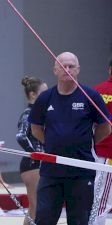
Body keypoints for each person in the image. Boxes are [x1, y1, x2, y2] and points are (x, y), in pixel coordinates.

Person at [29, 52, 111, 225]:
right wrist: (52, 142)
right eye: (63, 66)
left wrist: (88, 142)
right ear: (55, 70)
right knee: (44, 219)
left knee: (79, 221)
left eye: (71, 66)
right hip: (51, 173)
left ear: (78, 70)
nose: (67, 69)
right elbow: (35, 128)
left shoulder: (91, 96)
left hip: (81, 172)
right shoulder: (45, 98)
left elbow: (106, 127)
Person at [16, 76, 47, 225]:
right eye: (44, 92)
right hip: (32, 164)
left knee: (34, 208)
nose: (48, 96)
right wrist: (35, 153)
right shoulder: (29, 113)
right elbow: (21, 136)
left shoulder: (40, 112)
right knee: (36, 206)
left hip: (38, 162)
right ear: (33, 95)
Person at [90, 58, 112, 225]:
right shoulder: (95, 92)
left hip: (99, 152)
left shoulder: (96, 91)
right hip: (107, 154)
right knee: (101, 201)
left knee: (100, 200)